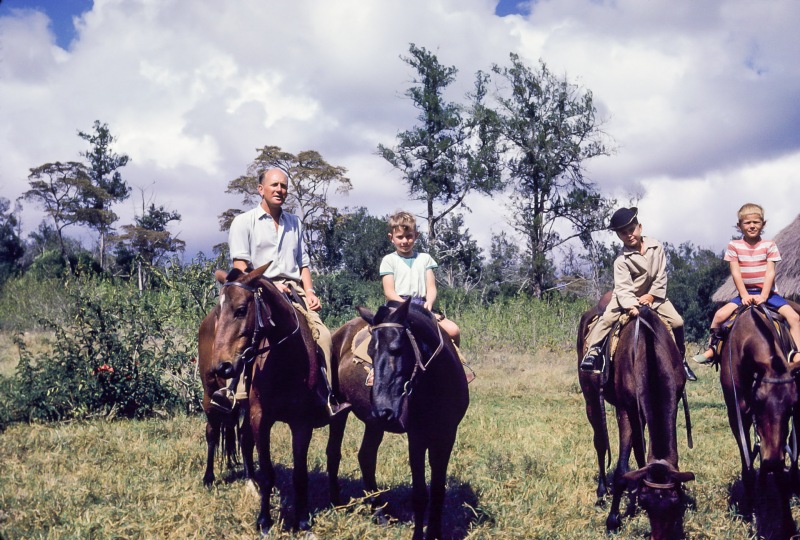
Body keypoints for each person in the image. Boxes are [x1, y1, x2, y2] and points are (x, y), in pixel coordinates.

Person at [210, 168, 349, 416]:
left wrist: (310, 291)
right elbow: (240, 267)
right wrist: (269, 285)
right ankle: (234, 392)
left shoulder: (295, 223)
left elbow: (304, 264)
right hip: (256, 289)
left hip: (293, 290)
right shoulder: (243, 222)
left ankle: (326, 396)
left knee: (324, 336)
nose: (279, 190)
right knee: (246, 337)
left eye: (284, 186)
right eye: (274, 185)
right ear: (260, 189)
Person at [580, 207, 697, 381]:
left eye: (631, 230)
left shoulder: (656, 247)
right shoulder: (621, 260)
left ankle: (681, 359)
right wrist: (631, 306)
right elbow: (623, 287)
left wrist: (651, 296)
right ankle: (593, 352)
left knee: (678, 322)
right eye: (623, 233)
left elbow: (661, 275)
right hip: (626, 298)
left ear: (639, 227)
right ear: (619, 236)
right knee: (607, 319)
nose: (629, 235)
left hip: (654, 296)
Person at [693, 203, 800, 364]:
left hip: (769, 295)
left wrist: (763, 296)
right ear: (739, 226)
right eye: (747, 223)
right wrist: (744, 295)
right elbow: (735, 272)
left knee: (793, 317)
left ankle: (796, 353)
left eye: (756, 222)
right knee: (719, 315)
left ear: (763, 224)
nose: (752, 226)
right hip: (744, 293)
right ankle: (712, 349)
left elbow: (770, 271)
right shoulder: (734, 246)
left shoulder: (769, 245)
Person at [379, 210, 462, 347]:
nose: (405, 241)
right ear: (391, 237)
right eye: (400, 237)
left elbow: (431, 287)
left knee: (453, 331)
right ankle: (375, 367)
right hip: (398, 307)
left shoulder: (425, 259)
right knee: (382, 337)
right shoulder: (389, 260)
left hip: (423, 306)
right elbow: (389, 292)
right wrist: (407, 306)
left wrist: (429, 302)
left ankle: (456, 365)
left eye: (409, 236)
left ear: (416, 235)